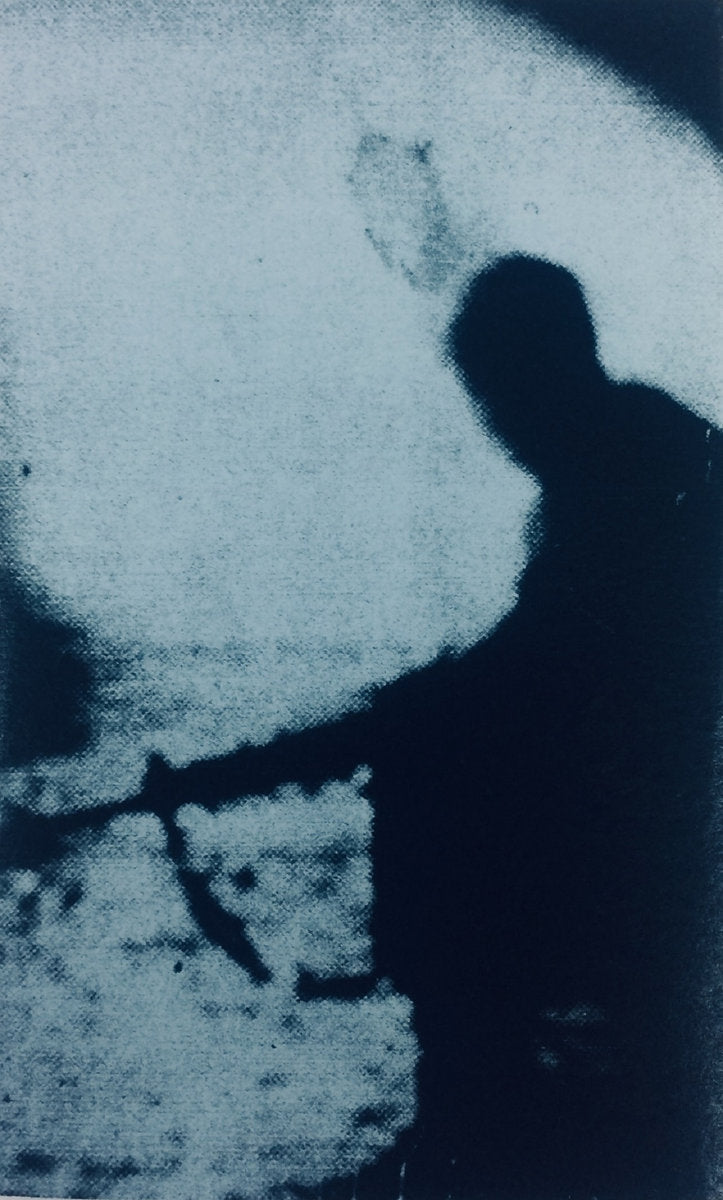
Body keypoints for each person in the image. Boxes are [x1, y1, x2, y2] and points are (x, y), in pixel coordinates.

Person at [0, 2, 720, 1198]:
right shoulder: (639, 458)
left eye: (498, 397)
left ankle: (480, 1132)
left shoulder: (634, 478)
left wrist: (403, 715)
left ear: (539, 373)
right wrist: (416, 709)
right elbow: (536, 661)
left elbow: (546, 674)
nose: (497, 427)